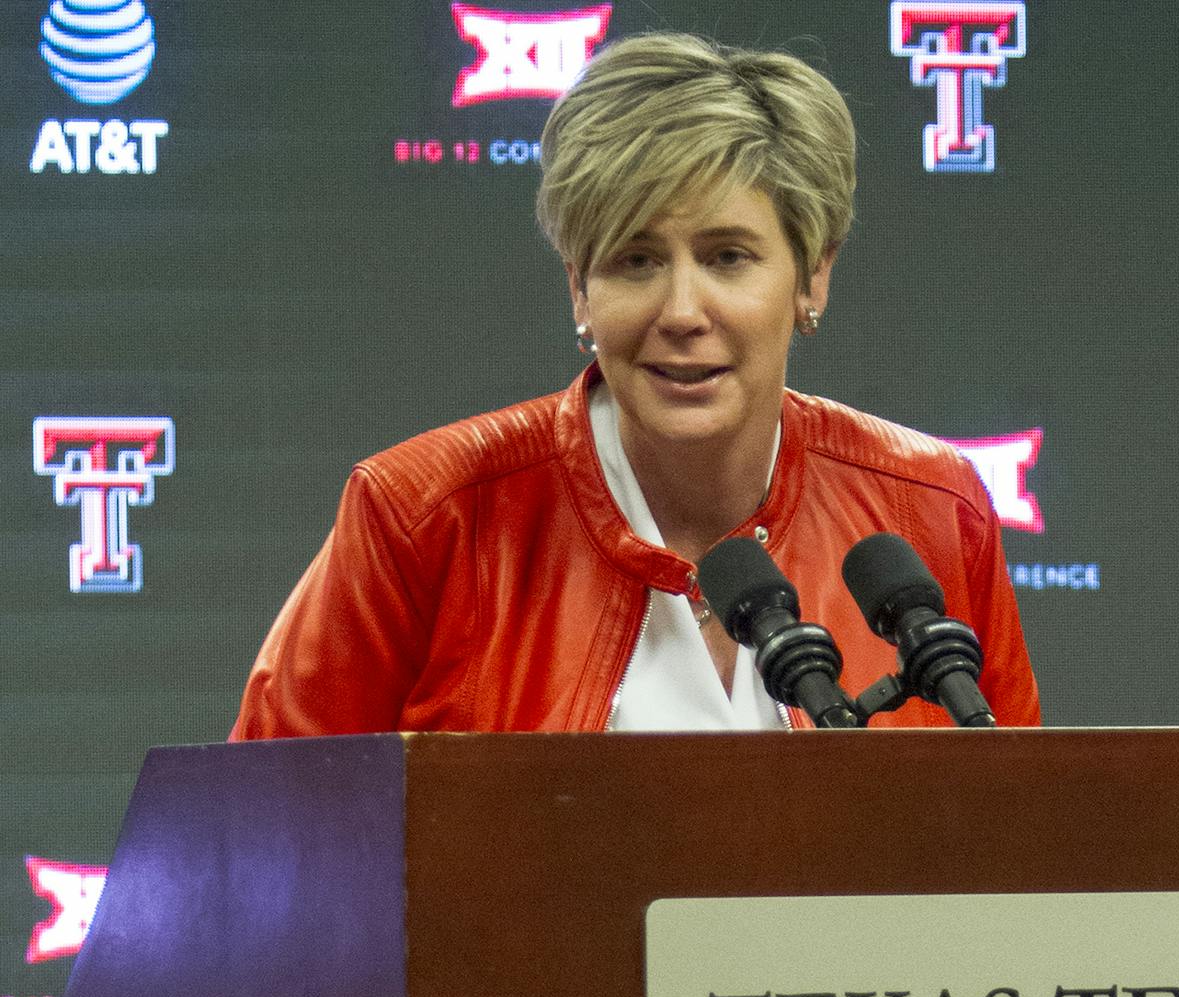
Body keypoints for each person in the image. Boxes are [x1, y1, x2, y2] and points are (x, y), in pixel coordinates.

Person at [231, 32, 1039, 737]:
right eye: (636, 261)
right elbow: (261, 850)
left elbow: (1030, 854)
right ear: (581, 289)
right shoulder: (421, 519)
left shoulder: (932, 508)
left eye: (728, 256)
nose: (683, 311)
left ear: (812, 278)